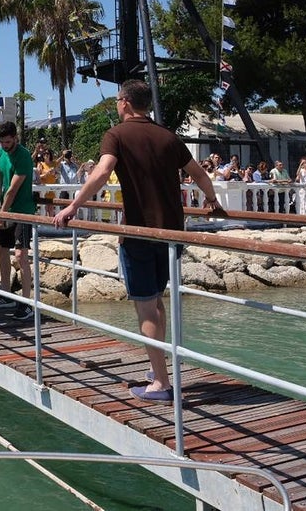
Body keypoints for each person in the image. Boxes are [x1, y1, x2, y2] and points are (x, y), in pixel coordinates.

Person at [52, 80, 223, 404]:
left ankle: (160, 382)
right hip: (171, 233)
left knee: (145, 306)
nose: (117, 105)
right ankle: (156, 365)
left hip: (140, 232)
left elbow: (103, 172)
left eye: (118, 100)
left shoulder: (116, 135)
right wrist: (212, 201)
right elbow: (200, 175)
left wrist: (74, 206)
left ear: (126, 103)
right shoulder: (167, 136)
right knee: (156, 301)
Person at [0, 121, 35, 318]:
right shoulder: (0, 154)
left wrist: (2, 213)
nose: (5, 145)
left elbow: (13, 189)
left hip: (22, 212)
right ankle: (6, 294)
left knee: (21, 256)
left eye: (8, 141)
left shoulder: (23, 156)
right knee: (2, 250)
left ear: (15, 137)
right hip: (5, 212)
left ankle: (27, 303)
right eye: (2, 142)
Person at [36, 147, 59, 216]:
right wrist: (46, 174)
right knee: (44, 208)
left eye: (48, 153)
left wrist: (54, 174)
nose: (46, 155)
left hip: (52, 188)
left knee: (51, 208)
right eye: (45, 153)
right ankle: (44, 224)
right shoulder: (40, 164)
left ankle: (51, 225)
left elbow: (57, 176)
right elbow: (38, 177)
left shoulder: (53, 164)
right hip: (44, 189)